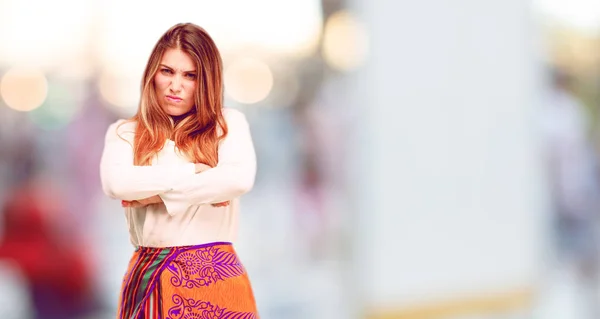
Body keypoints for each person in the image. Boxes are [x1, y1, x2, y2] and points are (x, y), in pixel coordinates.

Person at [99, 23, 259, 318]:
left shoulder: (227, 125)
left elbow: (238, 178)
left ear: (207, 81)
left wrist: (155, 196)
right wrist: (195, 174)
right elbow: (116, 183)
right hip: (152, 278)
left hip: (218, 282)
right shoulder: (126, 132)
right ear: (152, 75)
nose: (176, 86)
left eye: (190, 76)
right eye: (167, 71)